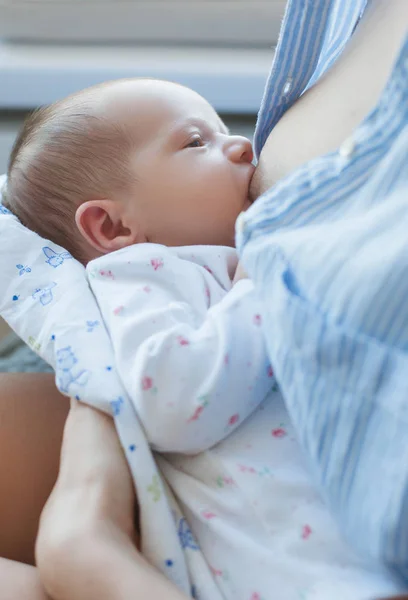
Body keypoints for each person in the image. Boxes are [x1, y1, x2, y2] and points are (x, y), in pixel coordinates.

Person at [1, 0, 407, 597]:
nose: (242, 147)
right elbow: (170, 398)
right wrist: (258, 284)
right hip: (288, 567)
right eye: (196, 142)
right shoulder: (140, 277)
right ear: (112, 230)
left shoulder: (203, 266)